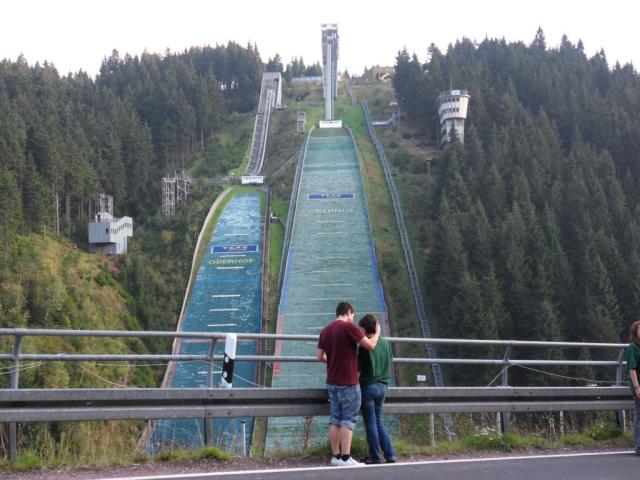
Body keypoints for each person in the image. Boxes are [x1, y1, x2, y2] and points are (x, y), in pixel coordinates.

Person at [317, 301, 381, 466]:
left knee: (335, 418)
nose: (353, 318)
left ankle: (336, 457)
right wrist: (378, 332)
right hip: (348, 382)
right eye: (353, 315)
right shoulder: (349, 327)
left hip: (332, 381)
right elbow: (371, 345)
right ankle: (346, 457)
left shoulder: (325, 330)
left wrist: (333, 362)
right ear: (349, 312)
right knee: (348, 418)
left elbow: (319, 356)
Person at [358, 314, 397, 464]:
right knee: (379, 421)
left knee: (370, 423)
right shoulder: (386, 343)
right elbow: (390, 361)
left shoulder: (364, 346)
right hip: (383, 387)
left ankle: (374, 456)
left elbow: (357, 369)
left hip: (368, 387)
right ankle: (390, 454)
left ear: (365, 328)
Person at [628, 320, 640, 456]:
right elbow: (632, 369)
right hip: (638, 384)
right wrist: (637, 387)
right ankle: (639, 445)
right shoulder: (632, 347)